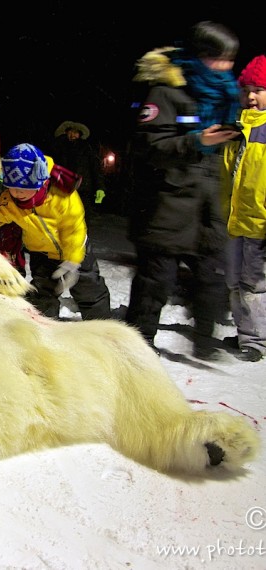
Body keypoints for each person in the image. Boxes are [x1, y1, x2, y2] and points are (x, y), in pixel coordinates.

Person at [125, 21, 242, 359]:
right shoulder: (165, 91)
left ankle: (204, 342)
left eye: (230, 60)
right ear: (200, 56)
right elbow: (149, 146)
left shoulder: (224, 96)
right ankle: (136, 349)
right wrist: (197, 141)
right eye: (218, 59)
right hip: (166, 205)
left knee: (212, 278)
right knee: (155, 282)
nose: (225, 67)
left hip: (205, 207)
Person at [0, 143, 112, 320]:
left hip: (77, 251)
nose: (18, 193)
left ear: (39, 180)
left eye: (24, 186)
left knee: (90, 293)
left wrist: (73, 260)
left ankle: (104, 330)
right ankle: (45, 330)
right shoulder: (9, 202)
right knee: (43, 294)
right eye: (12, 187)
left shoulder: (61, 195)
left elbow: (74, 227)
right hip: (42, 254)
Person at [220, 55, 266, 362]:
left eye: (259, 89)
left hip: (260, 225)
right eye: (247, 88)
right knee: (234, 282)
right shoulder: (235, 127)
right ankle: (245, 332)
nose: (251, 95)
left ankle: (257, 342)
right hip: (233, 222)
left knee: (255, 285)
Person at [51, 121, 106, 220]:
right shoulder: (58, 147)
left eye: (76, 132)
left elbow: (95, 168)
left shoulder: (87, 148)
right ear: (66, 132)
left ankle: (82, 235)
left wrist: (100, 188)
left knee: (81, 218)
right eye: (70, 132)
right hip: (61, 188)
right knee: (60, 218)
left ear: (80, 134)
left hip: (82, 189)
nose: (73, 135)